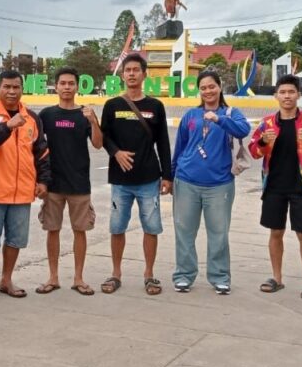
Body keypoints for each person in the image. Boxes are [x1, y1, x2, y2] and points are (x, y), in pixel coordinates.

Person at [248, 74, 302, 299]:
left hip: (301, 186)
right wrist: (264, 141)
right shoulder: (267, 123)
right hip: (274, 185)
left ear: (299, 95)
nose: (287, 96)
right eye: (283, 92)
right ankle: (277, 278)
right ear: (276, 96)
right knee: (275, 232)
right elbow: (254, 152)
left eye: (291, 92)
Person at [171, 70, 250, 294]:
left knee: (219, 232)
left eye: (212, 86)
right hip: (186, 181)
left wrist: (219, 119)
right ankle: (184, 275)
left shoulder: (231, 113)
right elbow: (180, 146)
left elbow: (243, 130)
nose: (208, 91)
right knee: (184, 231)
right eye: (203, 88)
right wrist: (171, 175)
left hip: (220, 184)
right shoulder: (191, 115)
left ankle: (220, 276)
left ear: (219, 87)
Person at [100, 52, 172, 295]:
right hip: (120, 180)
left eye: (135, 70)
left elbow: (163, 142)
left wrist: (167, 176)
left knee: (151, 227)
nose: (131, 74)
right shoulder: (112, 105)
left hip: (149, 179)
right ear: (122, 75)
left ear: (144, 74)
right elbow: (103, 137)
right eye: (127, 70)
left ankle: (149, 275)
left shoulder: (155, 106)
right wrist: (116, 153)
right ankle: (115, 274)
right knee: (117, 227)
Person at [0, 70, 50, 300]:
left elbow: (41, 151)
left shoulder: (32, 118)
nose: (11, 91)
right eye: (6, 87)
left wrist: (43, 180)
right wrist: (7, 126)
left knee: (16, 239)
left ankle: (7, 280)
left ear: (22, 89)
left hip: (22, 191)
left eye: (16, 87)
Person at [36, 67, 103, 296]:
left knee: (80, 231)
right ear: (56, 86)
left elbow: (98, 144)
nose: (67, 87)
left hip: (79, 183)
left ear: (77, 86)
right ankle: (53, 277)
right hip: (53, 183)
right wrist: (39, 179)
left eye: (71, 83)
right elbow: (36, 145)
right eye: (63, 83)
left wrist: (94, 122)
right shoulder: (46, 115)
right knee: (52, 230)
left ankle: (78, 278)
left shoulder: (85, 114)